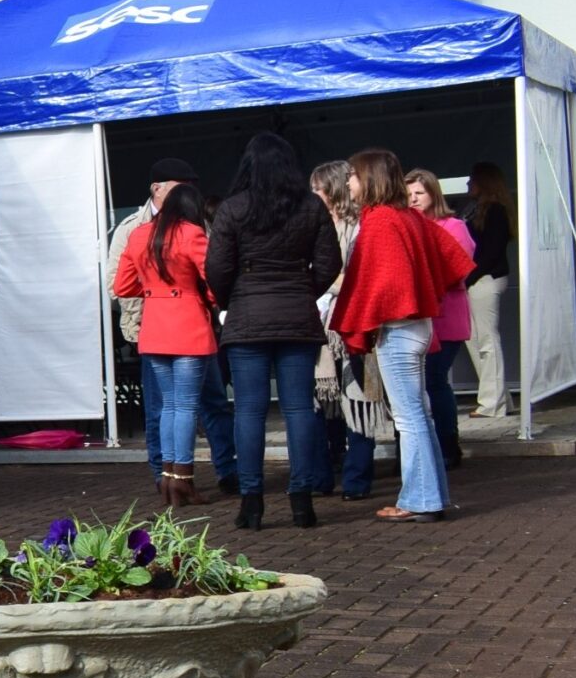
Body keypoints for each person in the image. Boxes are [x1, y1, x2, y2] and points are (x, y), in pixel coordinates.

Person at [330, 148, 473, 523]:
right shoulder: (408, 217)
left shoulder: (379, 220)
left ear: (370, 179)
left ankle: (421, 500)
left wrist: (367, 322)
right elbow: (452, 260)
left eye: (354, 176)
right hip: (418, 326)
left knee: (410, 418)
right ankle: (431, 497)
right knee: (419, 415)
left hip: (398, 328)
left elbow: (380, 283)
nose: (349, 182)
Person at [207, 133, 339, 529]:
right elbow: (330, 264)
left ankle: (251, 503)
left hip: (247, 317)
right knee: (299, 408)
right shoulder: (311, 206)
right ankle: (302, 500)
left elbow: (216, 269)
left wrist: (235, 297)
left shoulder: (233, 208)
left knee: (248, 410)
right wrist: (303, 291)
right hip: (298, 316)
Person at [105, 158, 236, 495]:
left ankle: (167, 479)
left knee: (167, 407)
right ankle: (184, 478)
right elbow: (213, 281)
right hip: (189, 326)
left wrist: (153, 290)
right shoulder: (193, 233)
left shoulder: (137, 234)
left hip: (154, 328)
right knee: (188, 407)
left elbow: (122, 286)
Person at [310, 159, 385, 500]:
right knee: (322, 404)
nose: (313, 195)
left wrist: (328, 282)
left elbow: (361, 278)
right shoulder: (312, 225)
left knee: (362, 400)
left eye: (317, 188)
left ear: (334, 188)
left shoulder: (364, 226)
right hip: (322, 331)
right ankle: (322, 475)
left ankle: (357, 479)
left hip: (359, 327)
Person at [404, 170, 473, 467]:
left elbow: (460, 270)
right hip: (418, 316)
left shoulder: (453, 226)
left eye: (419, 193)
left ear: (433, 193)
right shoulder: (408, 226)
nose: (413, 199)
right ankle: (428, 446)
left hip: (446, 316)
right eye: (408, 194)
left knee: (434, 377)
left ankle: (448, 445)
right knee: (419, 383)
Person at [462, 161, 515, 418]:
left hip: (485, 278)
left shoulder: (495, 211)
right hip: (475, 279)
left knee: (486, 339)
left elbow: (492, 251)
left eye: (473, 179)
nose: (468, 184)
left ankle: (492, 403)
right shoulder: (474, 209)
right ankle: (499, 397)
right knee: (474, 338)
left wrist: (470, 276)